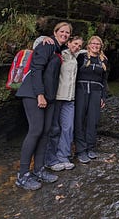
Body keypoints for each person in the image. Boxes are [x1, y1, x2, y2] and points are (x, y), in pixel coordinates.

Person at [15, 22, 72, 190]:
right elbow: (37, 68)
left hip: (49, 97)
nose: (64, 34)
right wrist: (39, 94)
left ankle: (38, 169)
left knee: (45, 132)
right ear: (55, 32)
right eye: (61, 31)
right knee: (35, 131)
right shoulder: (46, 44)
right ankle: (23, 175)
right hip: (34, 94)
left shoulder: (58, 50)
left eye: (67, 32)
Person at [45, 36, 84, 172]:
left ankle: (63, 156)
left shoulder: (76, 56)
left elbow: (87, 51)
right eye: (75, 44)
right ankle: (50, 159)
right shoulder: (61, 53)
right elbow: (41, 48)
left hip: (70, 99)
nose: (77, 47)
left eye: (79, 45)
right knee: (54, 128)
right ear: (68, 43)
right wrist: (42, 38)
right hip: (57, 97)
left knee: (68, 128)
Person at [74, 35, 108, 164]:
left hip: (96, 92)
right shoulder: (81, 57)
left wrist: (103, 96)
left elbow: (104, 80)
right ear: (88, 45)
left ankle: (90, 147)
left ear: (101, 46)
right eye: (93, 43)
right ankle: (81, 150)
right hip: (81, 91)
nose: (95, 45)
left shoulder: (103, 60)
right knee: (80, 120)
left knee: (92, 121)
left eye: (98, 44)